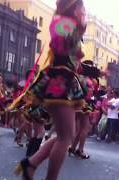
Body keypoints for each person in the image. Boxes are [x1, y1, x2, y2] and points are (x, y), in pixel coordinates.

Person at [14, 1, 88, 179]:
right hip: (60, 83)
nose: (84, 11)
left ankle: (31, 164)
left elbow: (72, 55)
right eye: (82, 8)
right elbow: (64, 48)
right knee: (65, 137)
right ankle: (44, 173)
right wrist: (81, 26)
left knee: (65, 135)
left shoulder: (65, 23)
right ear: (74, 7)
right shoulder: (63, 23)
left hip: (64, 81)